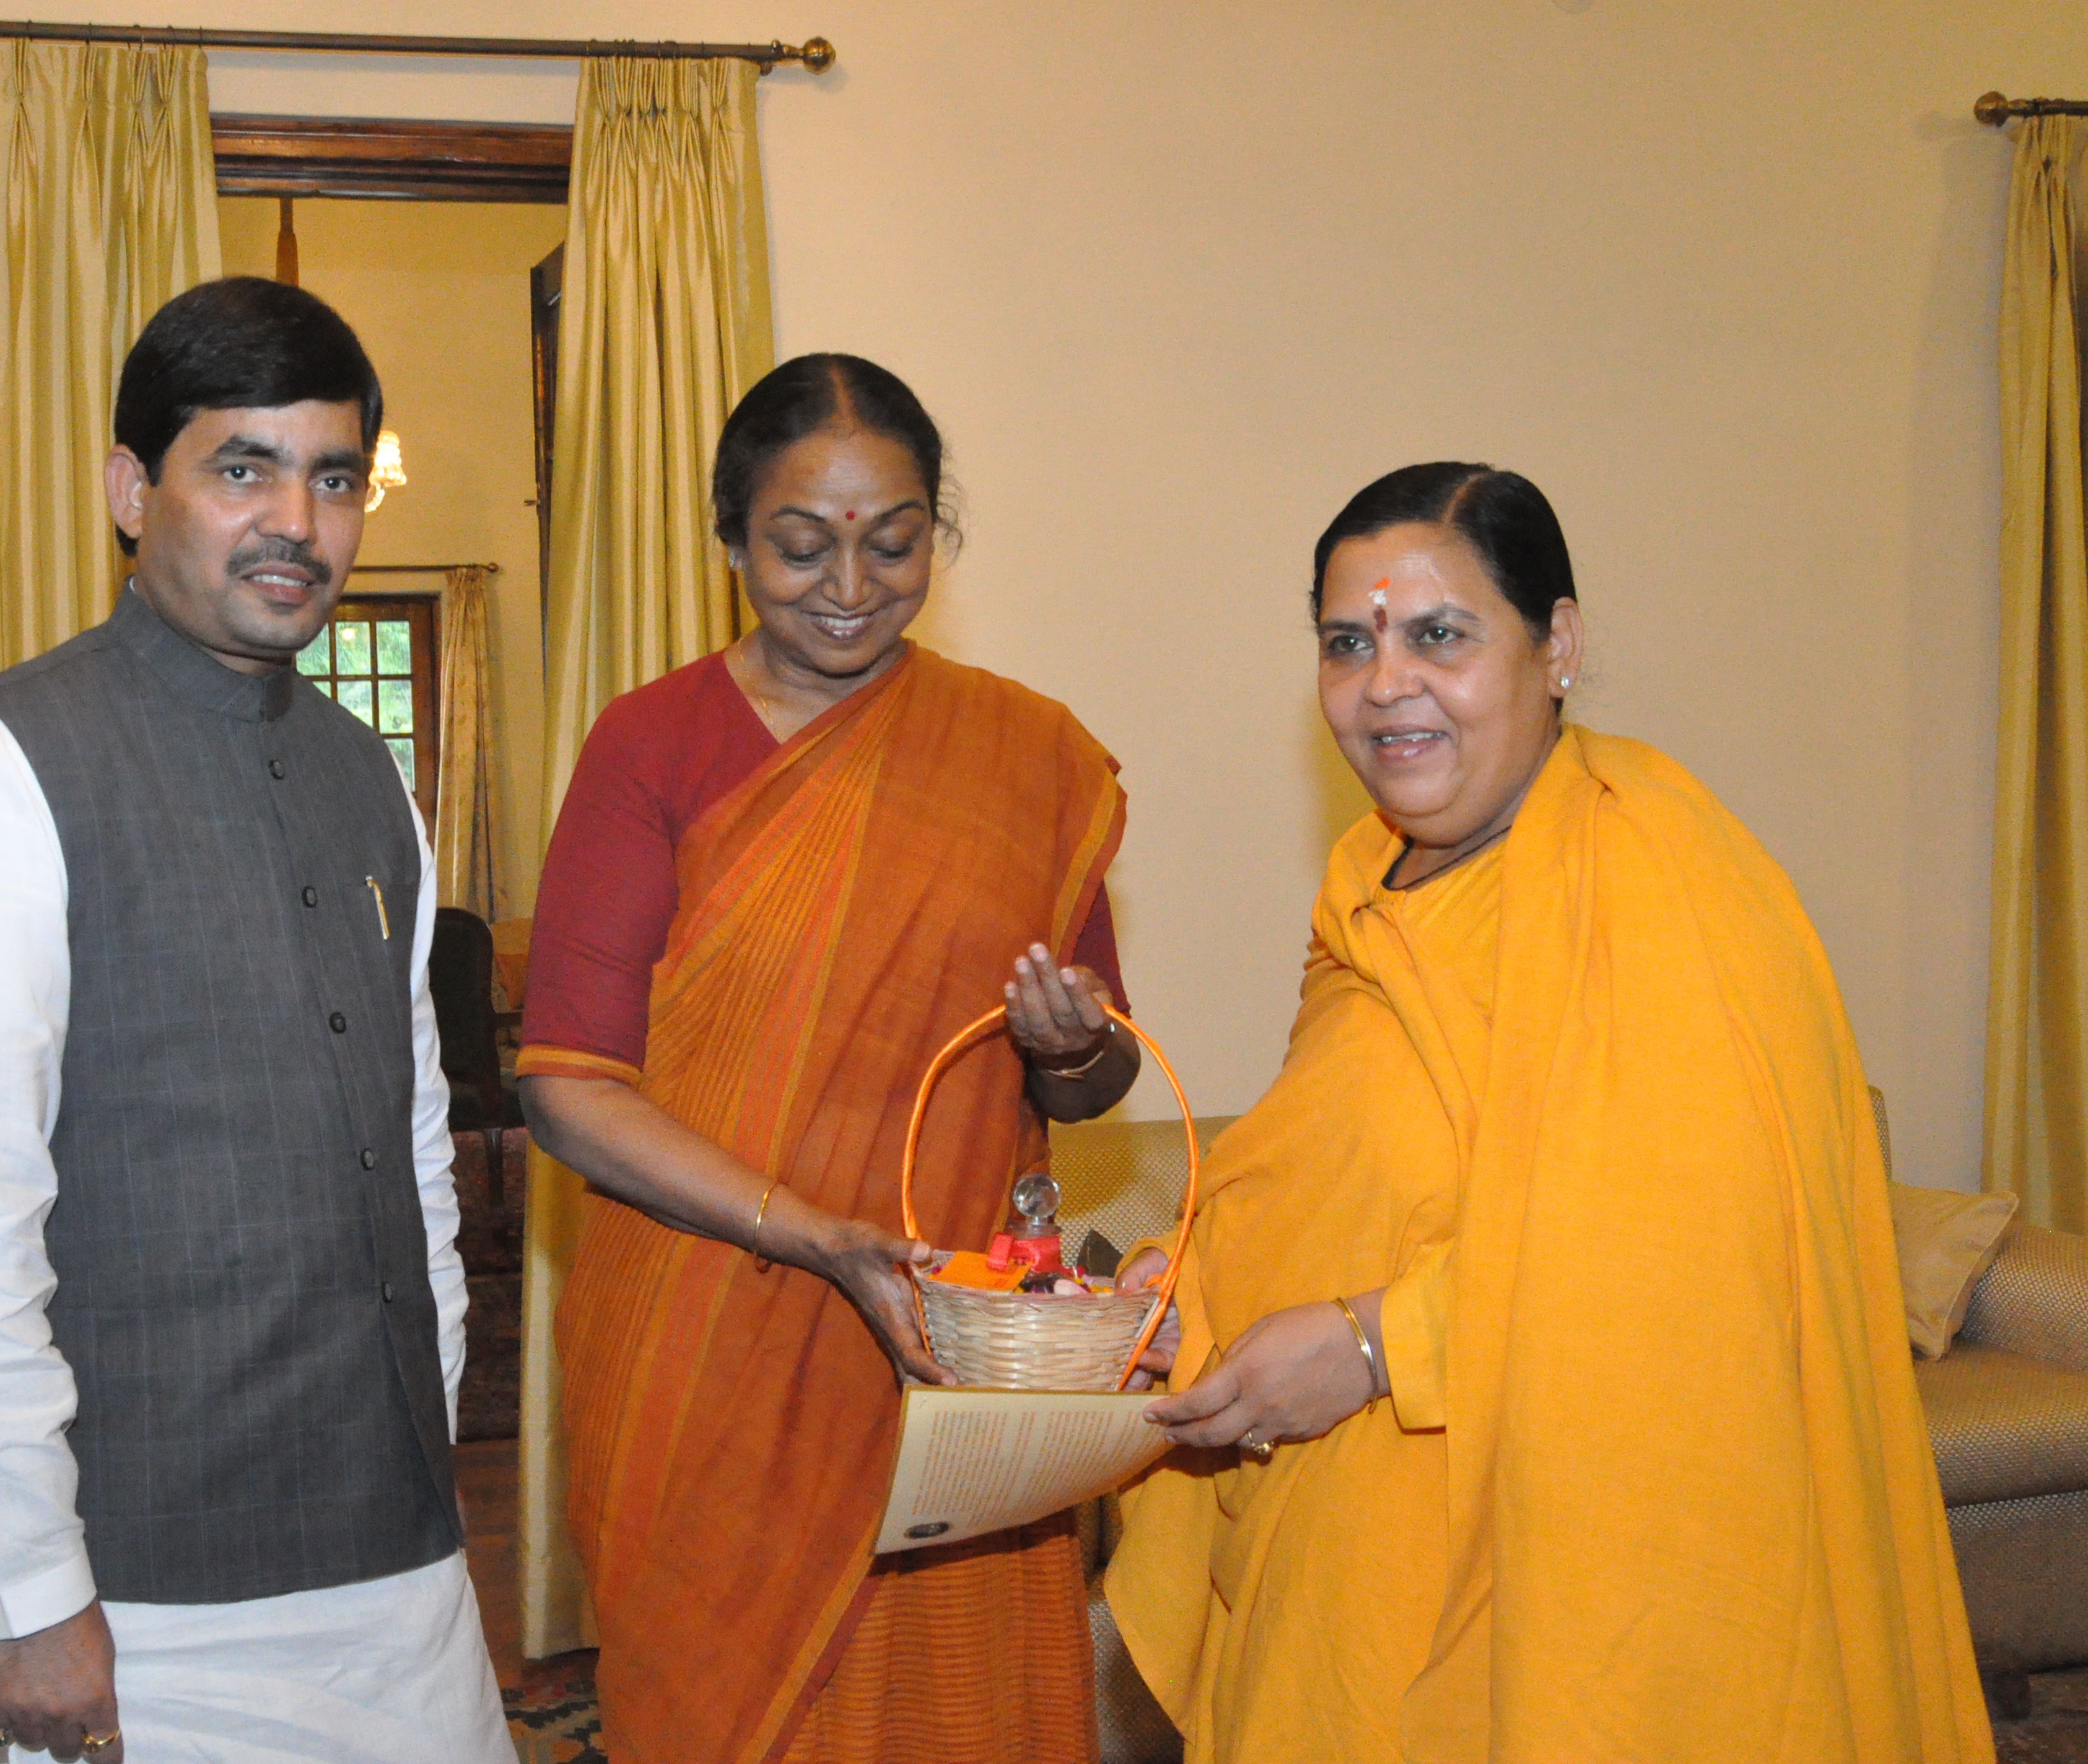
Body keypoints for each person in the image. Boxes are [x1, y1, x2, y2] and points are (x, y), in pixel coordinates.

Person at [1104, 463, 1992, 1762]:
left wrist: (1367, 1349)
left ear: (1556, 643)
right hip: (1333, 1528)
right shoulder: (1366, 880)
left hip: (1560, 1544)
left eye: (1438, 636)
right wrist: (1193, 1281)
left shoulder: (1659, 873)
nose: (1383, 682)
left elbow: (1678, 1261)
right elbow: (1329, 1157)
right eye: (1346, 643)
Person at [0, 277, 514, 1764]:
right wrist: (26, 1595)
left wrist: (433, 1414)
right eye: (242, 466)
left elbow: (410, 1151)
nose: (298, 517)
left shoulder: (371, 783)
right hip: (126, 1591)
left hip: (393, 1559)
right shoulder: (0, 765)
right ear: (126, 488)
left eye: (333, 475)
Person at [518, 352, 1138, 1763]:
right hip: (704, 1328)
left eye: (894, 538)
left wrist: (1070, 1046)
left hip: (944, 1341)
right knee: (719, 1702)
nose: (848, 582)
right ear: (731, 539)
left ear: (938, 533)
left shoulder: (1022, 757)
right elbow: (565, 1081)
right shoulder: (649, 746)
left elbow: (1089, 1080)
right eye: (800, 544)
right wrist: (818, 1239)